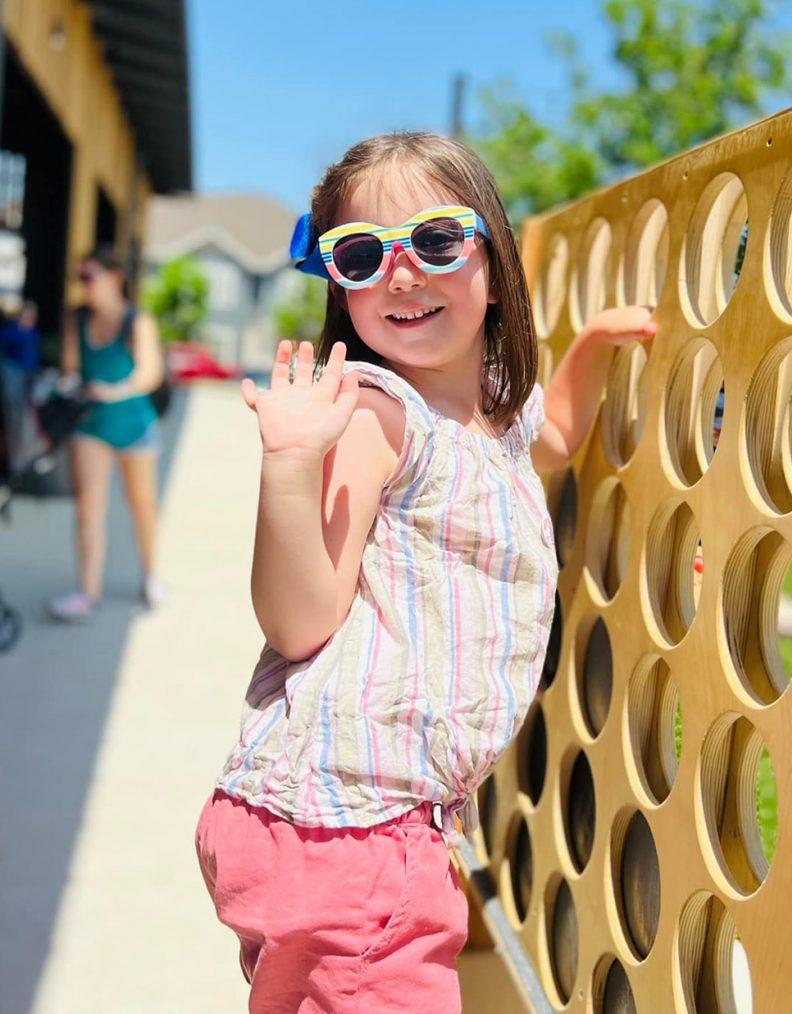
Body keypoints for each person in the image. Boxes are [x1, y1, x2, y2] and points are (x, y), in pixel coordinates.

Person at [194, 132, 656, 1013]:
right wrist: (291, 469)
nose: (401, 274)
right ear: (339, 286)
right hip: (345, 833)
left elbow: (552, 439)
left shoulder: (490, 403)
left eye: (436, 241)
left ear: (494, 252)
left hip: (368, 829)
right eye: (363, 256)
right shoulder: (376, 414)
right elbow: (300, 623)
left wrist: (592, 345)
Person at [47, 245, 166, 621]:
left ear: (114, 278)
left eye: (89, 277)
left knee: (142, 507)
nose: (83, 286)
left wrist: (114, 391)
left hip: (135, 426)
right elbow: (69, 368)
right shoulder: (76, 319)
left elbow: (150, 374)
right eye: (79, 278)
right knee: (88, 509)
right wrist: (63, 384)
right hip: (91, 425)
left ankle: (150, 576)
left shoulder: (138, 321)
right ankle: (87, 591)